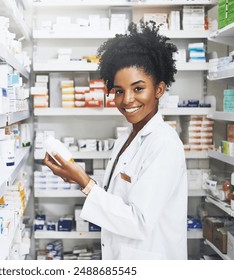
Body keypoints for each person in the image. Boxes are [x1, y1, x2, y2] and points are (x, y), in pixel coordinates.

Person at [43, 22, 188, 260]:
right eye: (119, 91)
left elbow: (139, 222)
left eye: (138, 88)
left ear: (159, 89)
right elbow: (119, 198)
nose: (127, 100)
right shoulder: (126, 138)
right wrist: (76, 178)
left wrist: (85, 181)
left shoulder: (164, 144)